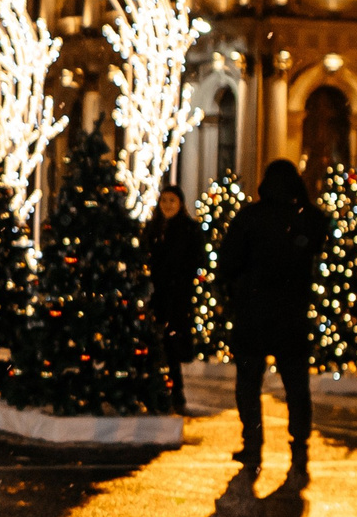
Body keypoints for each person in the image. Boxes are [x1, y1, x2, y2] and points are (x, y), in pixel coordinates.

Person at [215, 160, 330, 474]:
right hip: (291, 314)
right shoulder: (306, 219)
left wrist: (238, 286)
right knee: (296, 385)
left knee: (249, 384)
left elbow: (226, 263)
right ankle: (299, 445)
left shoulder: (250, 217)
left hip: (253, 312)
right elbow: (321, 234)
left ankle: (252, 445)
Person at [140, 183, 206, 412]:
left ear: (180, 204)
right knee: (153, 346)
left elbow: (194, 261)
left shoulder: (189, 229)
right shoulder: (152, 228)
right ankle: (153, 394)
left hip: (176, 298)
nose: (167, 205)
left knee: (171, 348)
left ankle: (176, 395)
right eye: (164, 200)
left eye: (172, 201)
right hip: (155, 296)